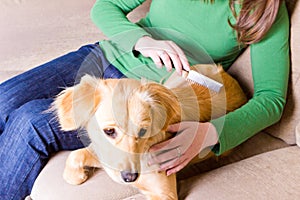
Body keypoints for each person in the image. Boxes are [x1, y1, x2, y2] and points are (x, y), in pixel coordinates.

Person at [0, 0, 289, 199]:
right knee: (4, 99)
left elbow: (271, 99)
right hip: (107, 57)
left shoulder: (264, 11)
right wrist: (143, 41)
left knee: (30, 124)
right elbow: (106, 6)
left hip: (145, 100)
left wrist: (211, 133)